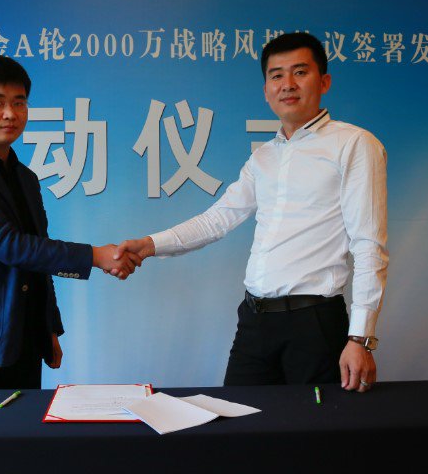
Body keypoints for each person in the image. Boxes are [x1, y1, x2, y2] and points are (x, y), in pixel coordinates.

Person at [113, 32, 387, 392]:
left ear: (324, 82)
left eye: (300, 72)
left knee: (313, 426)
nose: (287, 84)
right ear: (266, 90)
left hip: (314, 323)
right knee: (239, 421)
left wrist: (360, 338)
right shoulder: (264, 157)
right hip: (255, 322)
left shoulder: (354, 144)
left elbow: (368, 244)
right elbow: (217, 219)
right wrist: (150, 245)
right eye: (276, 75)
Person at [0, 55, 138, 390]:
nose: (10, 113)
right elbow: (8, 245)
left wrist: (50, 328)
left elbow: (37, 254)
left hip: (25, 340)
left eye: (19, 102)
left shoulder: (25, 178)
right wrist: (95, 256)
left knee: (25, 425)